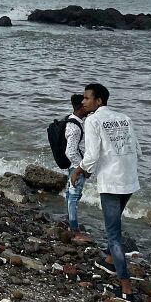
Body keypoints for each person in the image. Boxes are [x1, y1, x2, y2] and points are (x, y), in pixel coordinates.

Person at [71, 83, 142, 302]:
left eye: (86, 98)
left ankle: (126, 289)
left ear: (98, 101)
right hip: (129, 179)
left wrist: (80, 171)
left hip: (112, 183)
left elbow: (92, 155)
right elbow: (137, 149)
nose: (83, 102)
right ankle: (110, 260)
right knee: (115, 225)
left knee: (113, 235)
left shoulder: (93, 120)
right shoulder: (124, 117)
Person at [65, 93, 87, 235]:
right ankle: (74, 228)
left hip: (72, 165)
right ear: (81, 107)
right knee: (74, 196)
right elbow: (70, 152)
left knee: (70, 194)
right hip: (75, 166)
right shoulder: (75, 127)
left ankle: (69, 221)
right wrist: (81, 168)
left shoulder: (72, 120)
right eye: (85, 103)